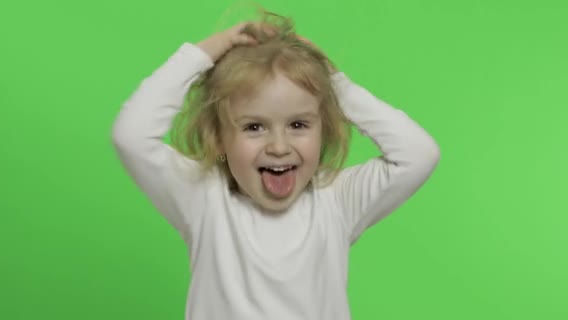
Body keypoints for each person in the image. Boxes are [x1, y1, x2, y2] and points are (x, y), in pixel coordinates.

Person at [111, 11, 440, 320]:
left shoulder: (336, 200)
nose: (279, 147)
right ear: (220, 140)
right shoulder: (203, 198)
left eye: (298, 125)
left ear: (323, 128)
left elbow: (418, 154)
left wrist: (336, 85)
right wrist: (202, 55)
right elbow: (131, 135)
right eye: (254, 127)